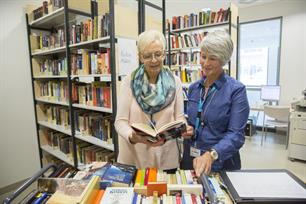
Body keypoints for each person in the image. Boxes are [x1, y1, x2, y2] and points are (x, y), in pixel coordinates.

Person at [181, 30, 250, 177]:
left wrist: (211, 155)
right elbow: (194, 121)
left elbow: (236, 135)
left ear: (223, 60)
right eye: (203, 56)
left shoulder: (236, 91)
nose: (205, 63)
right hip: (190, 160)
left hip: (220, 164)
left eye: (212, 58)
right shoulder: (193, 88)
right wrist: (188, 129)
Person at [115, 30, 186, 171]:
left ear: (164, 54)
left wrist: (182, 128)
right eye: (147, 55)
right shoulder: (129, 81)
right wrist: (132, 136)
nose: (154, 60)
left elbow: (180, 117)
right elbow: (120, 122)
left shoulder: (175, 82)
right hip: (134, 157)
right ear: (140, 57)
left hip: (166, 158)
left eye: (158, 54)